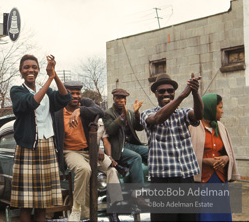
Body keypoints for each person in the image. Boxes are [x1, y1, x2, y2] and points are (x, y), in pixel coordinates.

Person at [10, 54, 71, 222]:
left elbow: (65, 98)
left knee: (42, 202)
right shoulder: (17, 90)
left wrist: (54, 74)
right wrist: (49, 80)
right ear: (21, 71)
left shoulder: (48, 91)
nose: (31, 70)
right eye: (26, 67)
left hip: (47, 145)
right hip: (28, 147)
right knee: (26, 203)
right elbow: (31, 102)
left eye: (34, 67)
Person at [140, 73, 203, 222]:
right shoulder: (147, 114)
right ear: (155, 94)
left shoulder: (183, 113)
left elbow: (199, 115)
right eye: (161, 91)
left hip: (186, 178)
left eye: (170, 90)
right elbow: (157, 119)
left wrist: (195, 93)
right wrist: (182, 96)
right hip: (163, 181)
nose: (166, 94)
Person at [54, 81, 120, 221]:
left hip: (89, 151)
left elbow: (100, 111)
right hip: (71, 152)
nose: (75, 96)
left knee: (112, 169)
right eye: (71, 93)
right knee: (84, 170)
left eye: (78, 93)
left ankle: (114, 209)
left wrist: (79, 111)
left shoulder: (84, 106)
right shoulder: (58, 113)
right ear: (64, 94)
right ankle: (77, 209)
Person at [190, 93, 240, 221]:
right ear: (210, 108)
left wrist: (226, 158)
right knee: (206, 216)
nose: (222, 111)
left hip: (219, 180)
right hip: (201, 181)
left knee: (221, 215)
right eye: (220, 107)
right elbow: (186, 154)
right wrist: (205, 161)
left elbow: (228, 151)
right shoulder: (192, 127)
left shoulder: (221, 127)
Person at [103, 89, 147, 185]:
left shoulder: (130, 113)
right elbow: (110, 130)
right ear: (113, 99)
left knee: (151, 152)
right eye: (118, 98)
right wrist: (122, 117)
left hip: (131, 145)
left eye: (123, 98)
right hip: (118, 148)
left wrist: (137, 114)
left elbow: (140, 127)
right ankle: (138, 193)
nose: (121, 100)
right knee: (136, 157)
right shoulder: (108, 113)